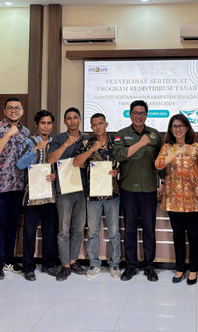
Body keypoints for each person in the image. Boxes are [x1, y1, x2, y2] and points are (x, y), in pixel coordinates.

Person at [155, 114, 198, 285]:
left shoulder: (196, 147)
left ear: (187, 128)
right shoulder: (167, 147)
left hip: (193, 198)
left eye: (180, 126)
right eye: (174, 126)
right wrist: (177, 152)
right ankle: (180, 268)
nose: (177, 129)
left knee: (194, 235)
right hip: (173, 199)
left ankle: (193, 270)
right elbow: (159, 164)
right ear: (171, 130)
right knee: (178, 235)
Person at [113, 100, 164, 282]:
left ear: (146, 115)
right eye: (135, 113)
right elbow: (118, 155)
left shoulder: (155, 135)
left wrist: (164, 182)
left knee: (149, 230)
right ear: (129, 114)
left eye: (142, 113)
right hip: (128, 189)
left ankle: (149, 266)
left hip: (149, 189)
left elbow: (161, 162)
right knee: (130, 230)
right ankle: (131, 266)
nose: (138, 116)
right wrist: (141, 143)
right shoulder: (121, 134)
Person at [0, 97, 30, 280]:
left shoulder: (26, 132)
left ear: (22, 111)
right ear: (4, 111)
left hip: (18, 185)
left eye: (17, 108)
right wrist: (8, 134)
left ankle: (9, 260)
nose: (13, 111)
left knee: (12, 225)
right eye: (10, 108)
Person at [73, 113, 121, 279]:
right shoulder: (87, 142)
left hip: (112, 193)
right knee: (93, 231)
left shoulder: (116, 141)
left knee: (114, 232)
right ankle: (94, 264)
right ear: (91, 127)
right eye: (94, 125)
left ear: (106, 124)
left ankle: (114, 264)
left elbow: (124, 162)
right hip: (92, 195)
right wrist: (92, 150)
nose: (97, 127)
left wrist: (117, 171)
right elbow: (76, 162)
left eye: (100, 123)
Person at [16, 110, 60, 281]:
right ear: (36, 124)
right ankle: (28, 266)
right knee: (29, 231)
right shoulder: (29, 142)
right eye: (43, 123)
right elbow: (20, 164)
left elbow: (59, 165)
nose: (46, 126)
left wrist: (56, 174)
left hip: (51, 195)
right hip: (32, 194)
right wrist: (35, 149)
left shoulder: (56, 143)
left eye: (49, 123)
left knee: (50, 231)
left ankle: (48, 264)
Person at [48, 107, 87, 281]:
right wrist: (66, 145)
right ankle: (64, 265)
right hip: (64, 190)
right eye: (69, 118)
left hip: (81, 189)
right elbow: (51, 159)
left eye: (75, 118)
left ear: (80, 119)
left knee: (78, 228)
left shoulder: (87, 139)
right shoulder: (58, 139)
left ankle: (73, 261)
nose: (72, 121)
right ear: (65, 121)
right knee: (64, 230)